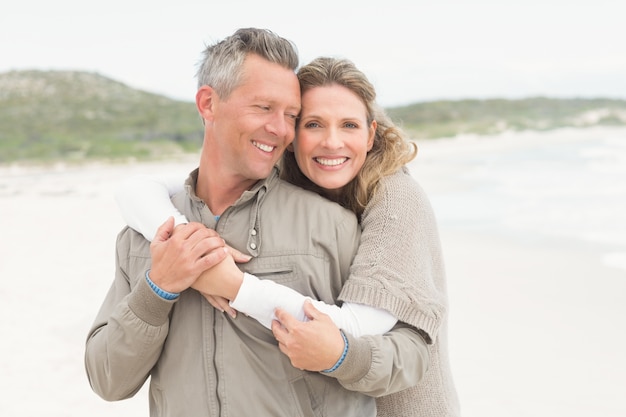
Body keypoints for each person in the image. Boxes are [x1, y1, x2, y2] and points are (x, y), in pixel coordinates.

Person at [85, 28, 429, 417]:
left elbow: (411, 354)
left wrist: (339, 354)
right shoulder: (145, 232)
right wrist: (157, 289)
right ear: (208, 104)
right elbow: (108, 381)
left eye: (291, 116)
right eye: (264, 108)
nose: (281, 130)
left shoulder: (336, 224)